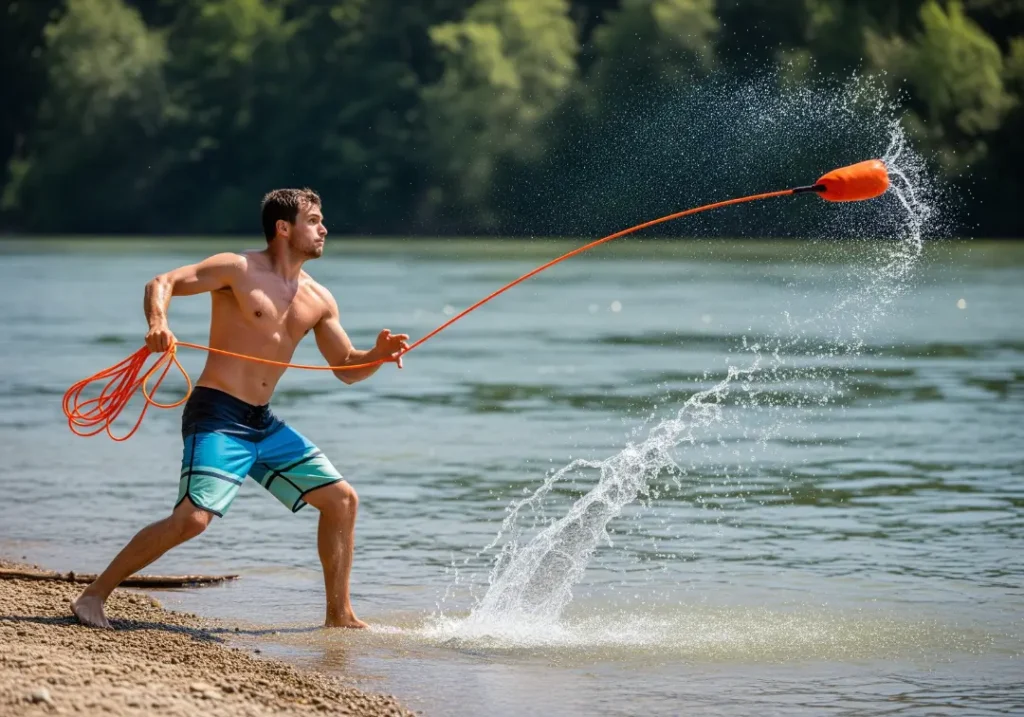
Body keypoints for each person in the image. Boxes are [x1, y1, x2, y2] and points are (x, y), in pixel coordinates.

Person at [70, 188, 408, 630]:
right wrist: (158, 323)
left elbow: (345, 368)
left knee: (342, 501)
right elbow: (163, 283)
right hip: (217, 416)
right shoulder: (238, 269)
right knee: (191, 520)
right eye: (314, 220)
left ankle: (339, 616)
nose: (324, 228)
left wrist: (375, 356)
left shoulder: (319, 298)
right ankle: (93, 597)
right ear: (283, 228)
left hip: (261, 423)